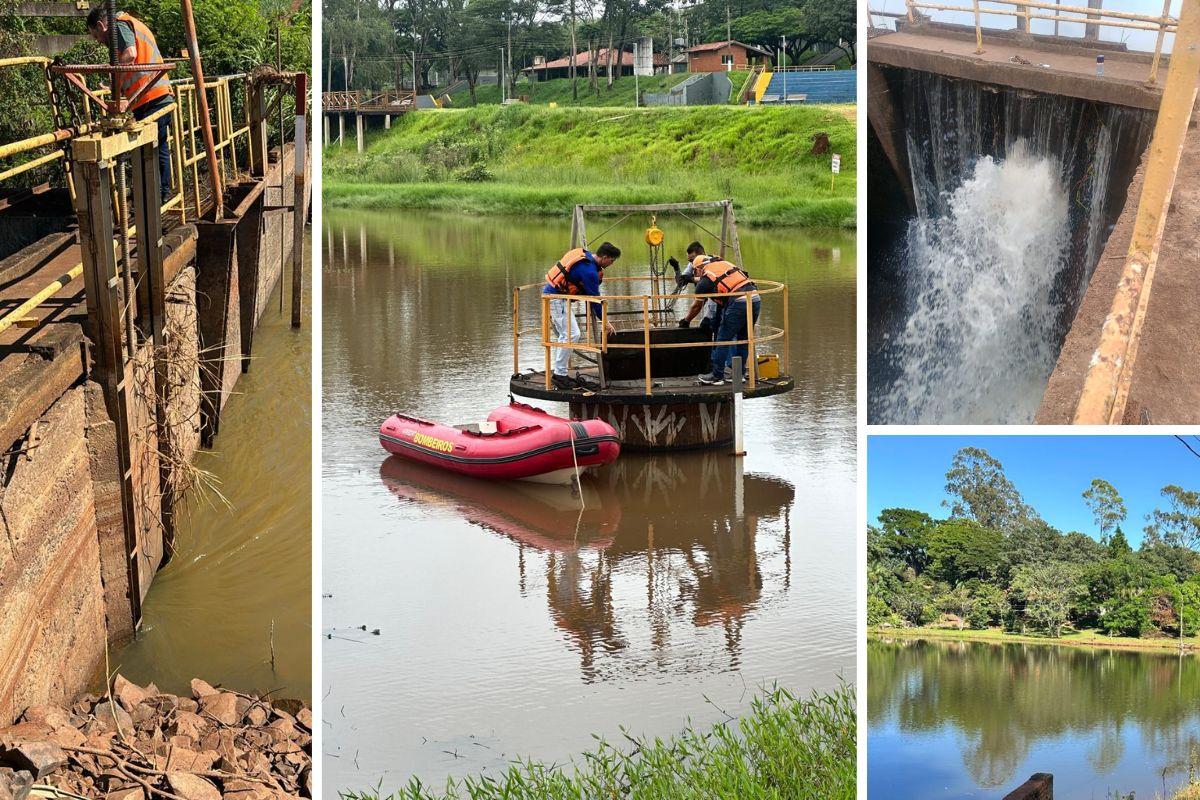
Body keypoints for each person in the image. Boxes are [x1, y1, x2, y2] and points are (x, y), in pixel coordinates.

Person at [86, 7, 175, 200]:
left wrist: (113, 76)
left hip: (151, 98)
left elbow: (130, 54)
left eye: (96, 35)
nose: (98, 40)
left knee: (147, 152)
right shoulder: (130, 24)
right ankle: (161, 196)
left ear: (101, 25)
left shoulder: (119, 26)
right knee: (158, 148)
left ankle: (153, 200)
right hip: (156, 96)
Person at [676, 243, 758, 386]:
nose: (695, 274)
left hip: (739, 302)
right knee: (743, 338)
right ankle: (739, 375)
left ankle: (717, 376)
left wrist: (686, 320)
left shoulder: (705, 281)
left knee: (723, 338)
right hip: (755, 298)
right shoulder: (722, 264)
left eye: (695, 271)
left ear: (699, 268)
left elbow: (697, 306)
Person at [543, 242, 621, 389]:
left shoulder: (587, 257)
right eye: (611, 261)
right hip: (556, 298)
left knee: (567, 335)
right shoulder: (589, 271)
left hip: (558, 297)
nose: (612, 264)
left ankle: (560, 372)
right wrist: (605, 321)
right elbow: (595, 300)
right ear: (604, 257)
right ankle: (559, 375)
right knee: (571, 334)